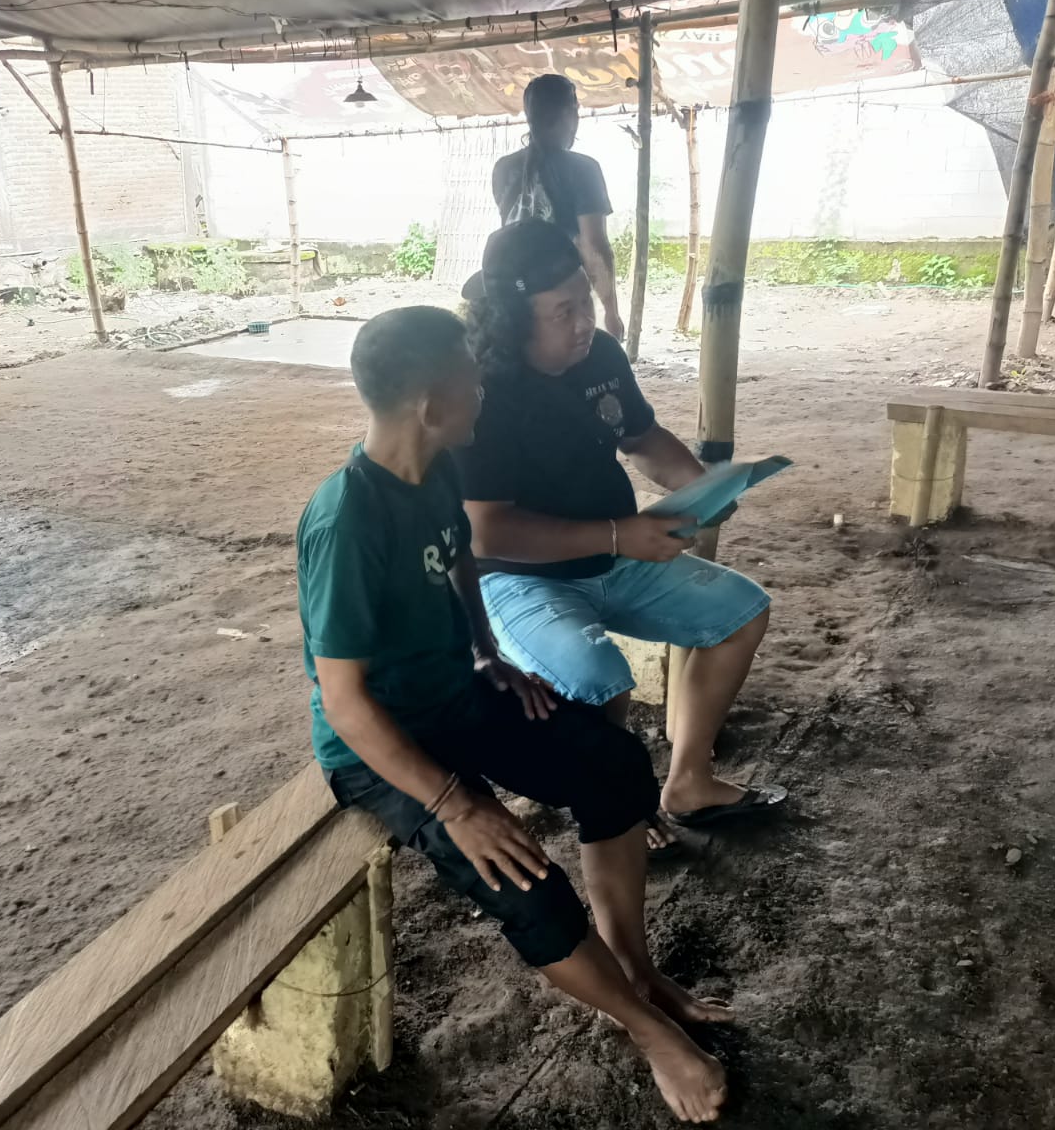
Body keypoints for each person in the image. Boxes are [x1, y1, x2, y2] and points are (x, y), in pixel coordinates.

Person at [298, 305, 731, 1123]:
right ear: (431, 404)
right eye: (472, 379)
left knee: (614, 767)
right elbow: (346, 703)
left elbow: (460, 557)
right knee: (526, 880)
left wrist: (487, 652)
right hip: (381, 747)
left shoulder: (437, 467)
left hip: (457, 694)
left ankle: (636, 970)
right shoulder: (348, 519)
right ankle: (649, 1032)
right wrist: (456, 805)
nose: (484, 392)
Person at [453, 220, 784, 857]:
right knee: (600, 678)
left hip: (617, 554)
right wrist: (615, 535)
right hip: (520, 578)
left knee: (741, 613)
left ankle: (688, 781)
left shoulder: (600, 356)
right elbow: (486, 530)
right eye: (564, 311)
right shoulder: (482, 391)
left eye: (587, 298)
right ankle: (618, 803)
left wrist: (699, 486)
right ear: (514, 322)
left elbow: (641, 437)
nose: (586, 322)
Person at [492, 73, 625, 342]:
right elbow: (593, 245)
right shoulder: (583, 169)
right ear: (569, 113)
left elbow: (510, 232)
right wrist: (611, 312)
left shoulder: (503, 168)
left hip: (514, 295)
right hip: (562, 304)